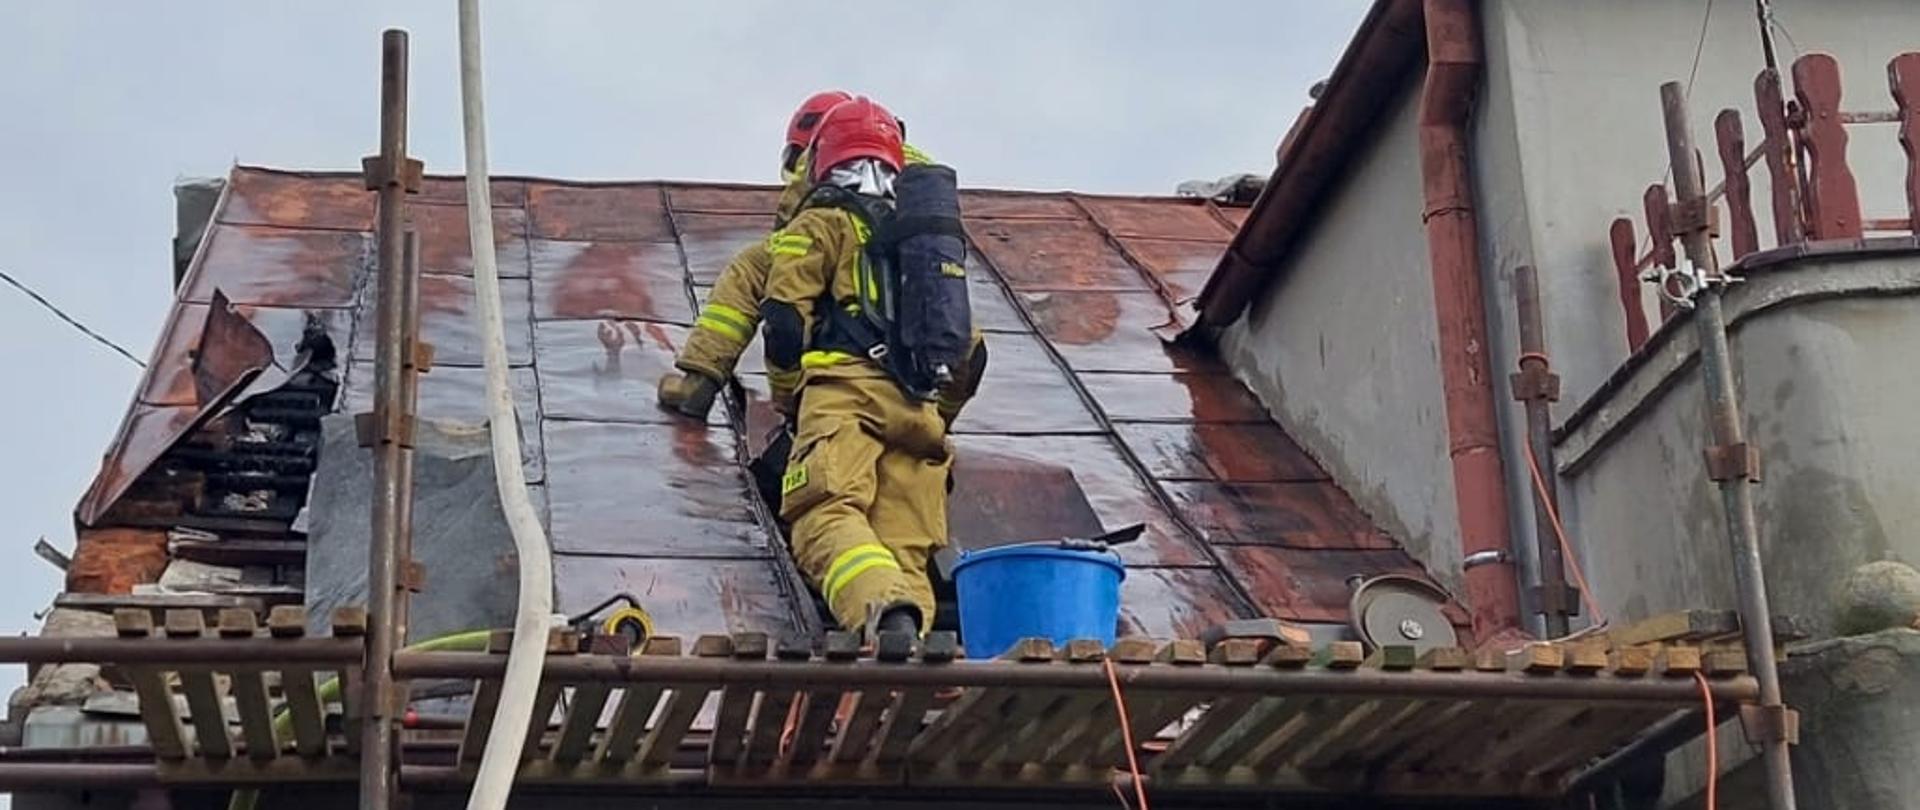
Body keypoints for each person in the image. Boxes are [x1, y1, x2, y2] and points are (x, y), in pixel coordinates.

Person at [762, 97, 978, 638]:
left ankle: (881, 610)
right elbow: (969, 350)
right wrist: (935, 414)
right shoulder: (919, 243)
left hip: (844, 393)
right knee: (904, 547)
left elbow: (785, 320)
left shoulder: (822, 221)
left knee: (824, 515)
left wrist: (789, 397)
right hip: (917, 407)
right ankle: (905, 647)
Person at [656, 90, 852, 418]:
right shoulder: (911, 174)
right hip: (911, 372)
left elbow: (789, 250)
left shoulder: (828, 159)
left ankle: (699, 380)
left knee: (752, 268)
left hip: (841, 278)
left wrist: (786, 392)